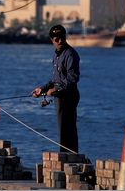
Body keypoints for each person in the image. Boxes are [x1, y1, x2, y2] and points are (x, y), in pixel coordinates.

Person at [32, 24, 80, 153]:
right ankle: (66, 157)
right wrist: (42, 89)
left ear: (65, 37)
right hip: (59, 97)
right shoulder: (56, 55)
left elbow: (72, 79)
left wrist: (54, 91)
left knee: (67, 130)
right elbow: (55, 80)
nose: (59, 41)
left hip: (68, 96)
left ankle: (71, 158)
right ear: (51, 40)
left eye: (61, 37)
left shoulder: (70, 54)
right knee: (62, 131)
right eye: (56, 39)